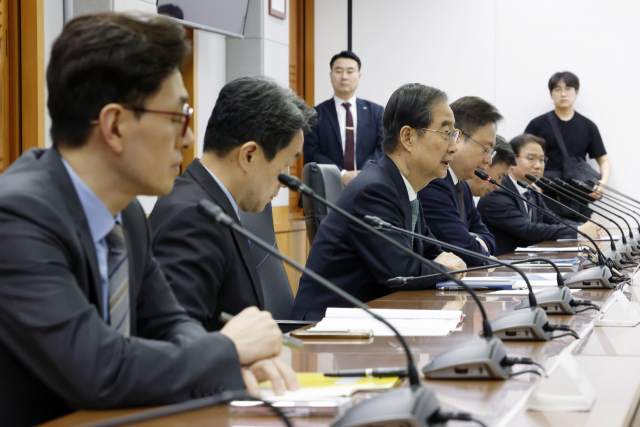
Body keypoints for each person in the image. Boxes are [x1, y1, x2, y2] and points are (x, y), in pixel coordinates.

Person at [0, 13, 296, 426]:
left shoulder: (128, 215)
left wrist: (218, 366)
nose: (190, 138)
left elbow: (170, 322)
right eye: (179, 118)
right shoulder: (17, 217)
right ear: (115, 125)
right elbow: (98, 368)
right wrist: (226, 351)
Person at [149, 76, 316, 331]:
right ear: (249, 155)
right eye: (284, 165)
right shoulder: (192, 218)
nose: (285, 181)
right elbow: (177, 344)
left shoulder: (213, 202)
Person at [290, 83, 467, 321]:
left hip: (364, 326)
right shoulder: (374, 190)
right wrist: (445, 267)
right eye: (446, 133)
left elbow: (430, 251)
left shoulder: (405, 187)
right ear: (408, 137)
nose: (454, 147)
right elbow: (402, 273)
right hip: (321, 335)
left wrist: (444, 262)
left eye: (454, 135)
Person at [478, 134, 601, 255]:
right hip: (502, 267)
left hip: (528, 263)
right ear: (511, 160)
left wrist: (586, 227)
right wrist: (580, 231)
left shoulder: (530, 191)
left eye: (542, 160)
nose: (538, 166)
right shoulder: (496, 192)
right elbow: (529, 231)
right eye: (531, 158)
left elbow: (554, 220)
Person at [417, 96, 500, 266]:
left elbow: (490, 239)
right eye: (486, 149)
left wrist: (474, 240)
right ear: (458, 137)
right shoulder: (433, 182)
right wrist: (474, 242)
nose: (489, 161)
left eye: (491, 152)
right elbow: (465, 250)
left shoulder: (463, 186)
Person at [524, 71, 610, 220]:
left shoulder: (588, 126)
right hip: (546, 196)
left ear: (576, 92)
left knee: (582, 239)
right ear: (551, 93)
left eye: (568, 88)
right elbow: (522, 157)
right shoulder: (537, 124)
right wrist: (532, 184)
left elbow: (603, 160)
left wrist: (602, 183)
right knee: (545, 239)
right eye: (557, 89)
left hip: (578, 198)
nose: (563, 94)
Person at [302, 51, 384, 187]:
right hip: (326, 185)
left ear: (359, 76)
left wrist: (363, 174)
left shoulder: (376, 112)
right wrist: (342, 174)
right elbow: (311, 153)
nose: (344, 77)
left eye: (350, 71)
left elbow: (384, 148)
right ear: (330, 75)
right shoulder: (314, 113)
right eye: (338, 71)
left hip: (369, 184)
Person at [467, 135, 517, 199]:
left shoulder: (467, 198)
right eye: (499, 177)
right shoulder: (452, 191)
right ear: (485, 163)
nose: (497, 186)